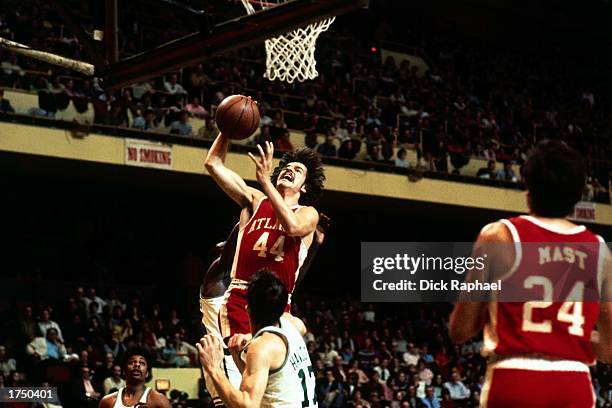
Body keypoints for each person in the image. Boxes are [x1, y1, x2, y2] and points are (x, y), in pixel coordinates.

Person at [449, 140, 611, 407]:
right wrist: (564, 335)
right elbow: (609, 347)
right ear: (579, 194)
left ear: (528, 189)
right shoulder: (600, 250)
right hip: (573, 383)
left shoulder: (498, 236)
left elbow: (460, 330)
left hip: (513, 378)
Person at [204, 134, 324, 339]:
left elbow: (293, 228)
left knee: (294, 332)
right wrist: (226, 131)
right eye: (287, 167)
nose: (289, 170)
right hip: (240, 297)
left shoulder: (307, 213)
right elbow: (213, 163)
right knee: (243, 365)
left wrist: (266, 183)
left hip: (277, 304)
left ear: (304, 187)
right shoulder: (256, 200)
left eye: (298, 170)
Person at [197, 270, 318, 407]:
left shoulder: (261, 348)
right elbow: (269, 386)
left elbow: (247, 405)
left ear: (247, 309)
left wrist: (213, 368)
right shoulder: (293, 324)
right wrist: (237, 357)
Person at [98, 346, 171, 408]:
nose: (137, 365)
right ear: (124, 371)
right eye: (132, 362)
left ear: (147, 373)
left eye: (142, 363)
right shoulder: (108, 402)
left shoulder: (159, 400)